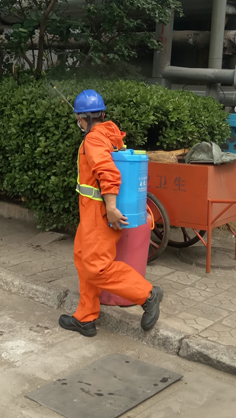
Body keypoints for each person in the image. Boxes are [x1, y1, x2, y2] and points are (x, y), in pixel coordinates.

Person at [58, 89, 163, 338]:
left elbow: (108, 172)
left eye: (78, 118)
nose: (78, 122)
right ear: (101, 114)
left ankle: (147, 295)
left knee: (97, 268)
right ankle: (85, 318)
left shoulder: (94, 139)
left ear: (83, 118)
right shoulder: (109, 135)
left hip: (98, 214)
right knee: (84, 260)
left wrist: (111, 207)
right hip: (91, 214)